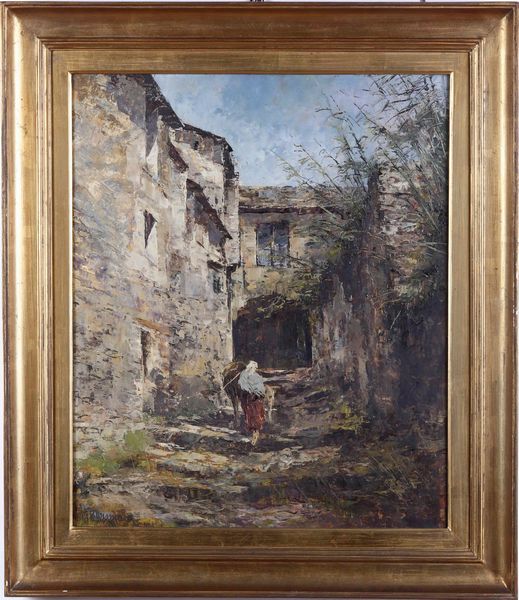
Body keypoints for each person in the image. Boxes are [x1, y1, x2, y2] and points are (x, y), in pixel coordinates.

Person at [237, 361, 266, 445]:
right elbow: (243, 385)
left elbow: (260, 387)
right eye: (254, 367)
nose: (255, 369)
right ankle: (253, 432)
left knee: (257, 415)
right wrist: (250, 391)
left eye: (256, 368)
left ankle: (256, 433)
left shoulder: (257, 376)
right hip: (248, 398)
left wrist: (258, 393)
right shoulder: (244, 375)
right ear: (250, 367)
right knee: (250, 415)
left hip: (256, 398)